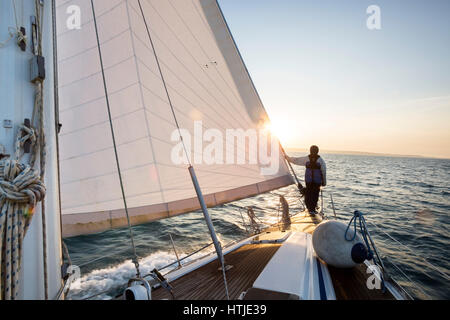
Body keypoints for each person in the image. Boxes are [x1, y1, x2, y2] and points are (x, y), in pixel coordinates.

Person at [287, 146, 326, 215]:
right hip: (316, 182)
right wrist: (324, 182)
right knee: (314, 195)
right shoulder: (320, 160)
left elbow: (296, 160)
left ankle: (310, 209)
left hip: (310, 181)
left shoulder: (309, 159)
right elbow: (323, 172)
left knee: (310, 194)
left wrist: (288, 158)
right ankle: (312, 209)